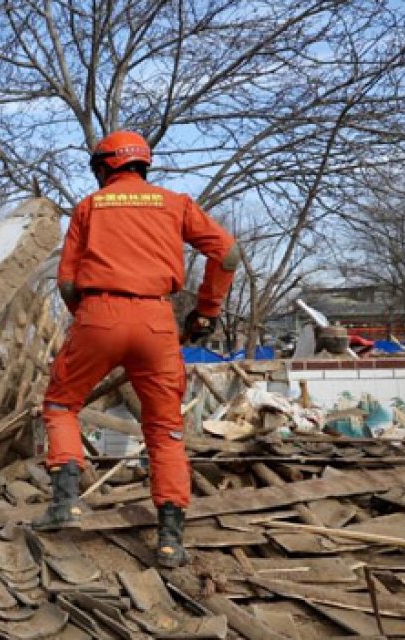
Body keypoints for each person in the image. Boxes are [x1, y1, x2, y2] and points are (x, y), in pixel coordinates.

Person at [31, 131, 239, 568]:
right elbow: (227, 253)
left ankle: (65, 505)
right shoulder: (175, 202)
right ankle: (169, 541)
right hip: (157, 320)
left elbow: (67, 282)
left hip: (99, 313)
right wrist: (206, 312)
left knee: (61, 404)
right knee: (165, 430)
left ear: (105, 166)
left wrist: (88, 319)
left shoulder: (90, 207)